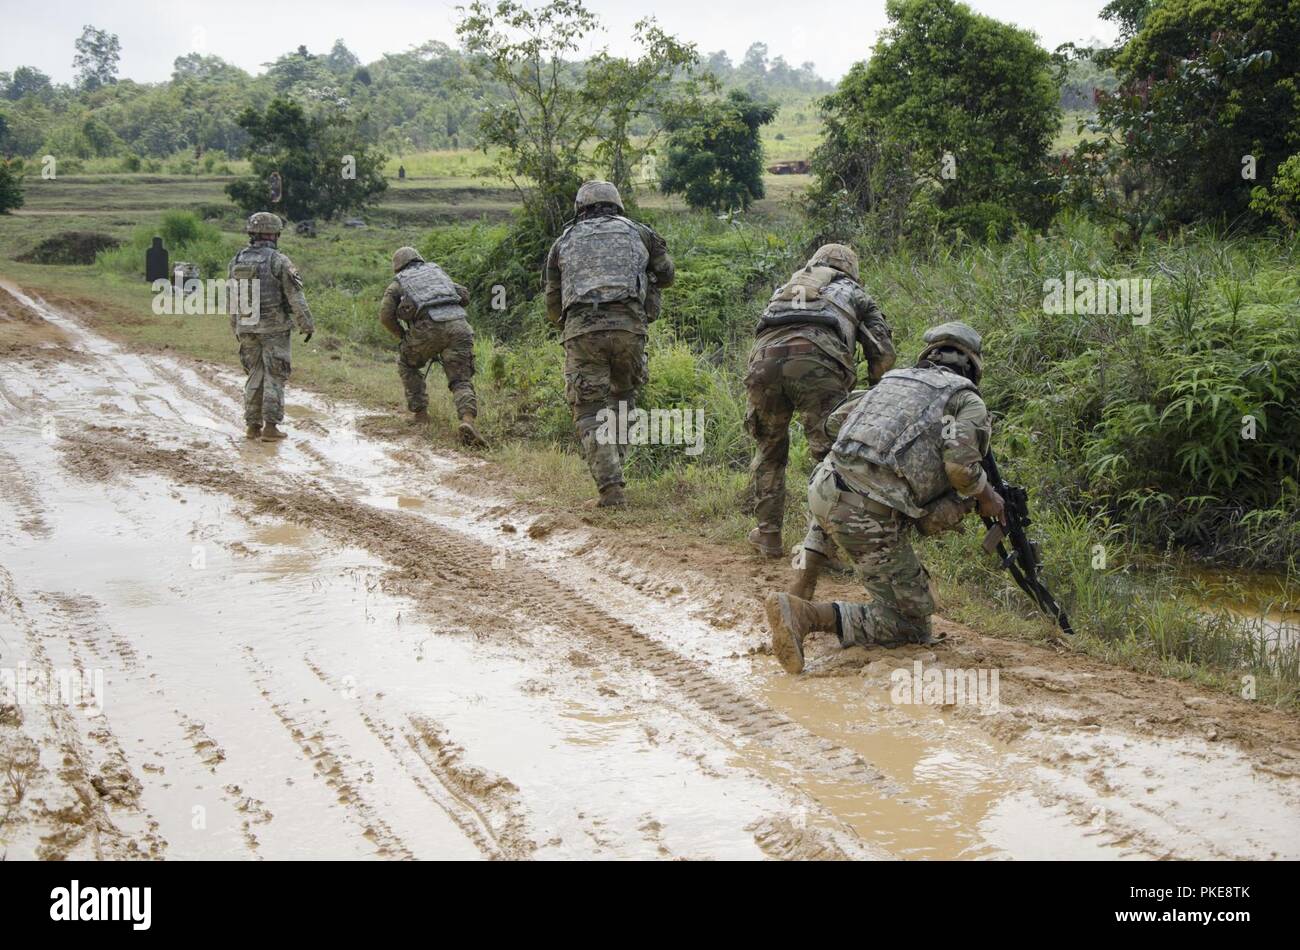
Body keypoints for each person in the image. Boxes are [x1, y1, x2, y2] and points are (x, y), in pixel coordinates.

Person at [767, 321, 1006, 674]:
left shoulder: (894, 380)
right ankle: (807, 616)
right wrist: (986, 496)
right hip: (862, 513)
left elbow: (835, 424)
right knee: (910, 626)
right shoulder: (964, 399)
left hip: (823, 487)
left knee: (845, 486)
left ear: (929, 354)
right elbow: (960, 469)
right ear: (972, 364)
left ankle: (798, 592)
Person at [744, 243, 894, 558]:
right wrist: (875, 390)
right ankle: (821, 547)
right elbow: (882, 353)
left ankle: (768, 535)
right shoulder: (853, 292)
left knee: (769, 449)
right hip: (818, 361)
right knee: (831, 455)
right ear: (851, 270)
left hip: (763, 362)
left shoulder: (785, 288)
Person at [543, 180, 674, 507]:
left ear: (580, 208)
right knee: (623, 395)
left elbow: (551, 300)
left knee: (588, 407)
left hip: (582, 330)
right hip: (630, 327)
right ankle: (614, 467)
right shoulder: (640, 232)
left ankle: (611, 489)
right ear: (617, 204)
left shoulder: (563, 241)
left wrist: (571, 327)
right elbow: (667, 274)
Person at [379, 246, 486, 447]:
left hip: (427, 329)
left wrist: (403, 336)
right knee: (461, 379)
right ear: (419, 259)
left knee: (406, 363)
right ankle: (467, 421)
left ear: (397, 267)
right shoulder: (437, 272)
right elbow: (464, 295)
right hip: (460, 326)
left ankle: (420, 415)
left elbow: (385, 316)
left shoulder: (398, 284)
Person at [227, 212, 314, 441]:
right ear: (274, 234)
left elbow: (232, 297)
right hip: (273, 328)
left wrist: (235, 324)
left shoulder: (237, 260)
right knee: (275, 375)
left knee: (254, 374)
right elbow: (295, 296)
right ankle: (271, 428)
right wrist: (307, 324)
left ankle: (252, 426)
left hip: (246, 328)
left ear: (251, 233)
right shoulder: (278, 260)